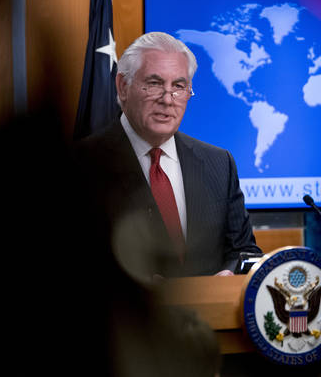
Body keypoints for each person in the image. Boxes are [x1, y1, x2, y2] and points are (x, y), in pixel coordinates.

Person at [75, 32, 261, 280]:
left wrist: (229, 274)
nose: (167, 99)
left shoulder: (219, 163)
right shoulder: (80, 166)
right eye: (154, 83)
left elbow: (245, 252)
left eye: (179, 86)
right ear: (123, 86)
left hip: (211, 317)